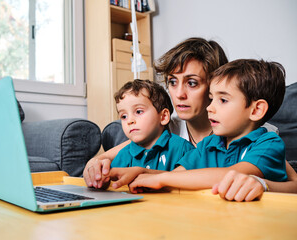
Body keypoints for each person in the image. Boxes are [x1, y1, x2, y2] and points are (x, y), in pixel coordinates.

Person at [84, 37, 297, 199]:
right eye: (172, 82)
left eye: (192, 83)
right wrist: (98, 166)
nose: (178, 95)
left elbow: (290, 182)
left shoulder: (263, 135)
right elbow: (113, 155)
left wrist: (265, 185)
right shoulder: (169, 128)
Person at [128, 59, 288, 193]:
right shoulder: (208, 144)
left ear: (256, 110)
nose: (209, 108)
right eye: (211, 99)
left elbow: (233, 175)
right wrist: (140, 174)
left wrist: (161, 179)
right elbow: (177, 176)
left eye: (223, 100)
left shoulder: (269, 143)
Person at [108, 80, 194, 177]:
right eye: (124, 116)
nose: (129, 121)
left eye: (139, 111)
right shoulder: (124, 155)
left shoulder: (182, 149)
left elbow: (193, 180)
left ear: (163, 117)